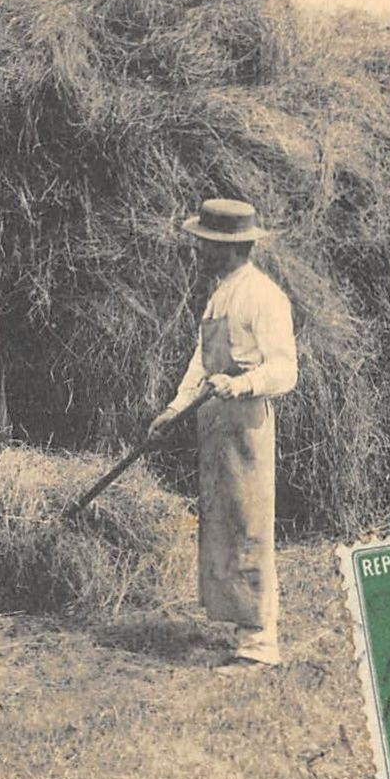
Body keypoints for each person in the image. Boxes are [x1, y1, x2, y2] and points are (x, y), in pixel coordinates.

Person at [149, 199, 296, 670]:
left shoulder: (263, 296)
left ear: (228, 248)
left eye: (206, 245)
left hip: (245, 424)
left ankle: (260, 643)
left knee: (250, 526)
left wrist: (241, 384)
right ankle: (241, 628)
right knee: (225, 528)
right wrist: (173, 408)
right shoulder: (220, 295)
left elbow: (284, 369)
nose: (199, 252)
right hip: (214, 424)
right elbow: (202, 362)